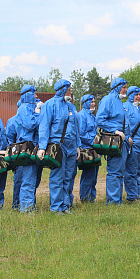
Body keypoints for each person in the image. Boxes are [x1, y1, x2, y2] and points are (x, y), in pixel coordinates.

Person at [37, 79, 81, 215]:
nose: (71, 92)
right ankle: (56, 206)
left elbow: (75, 128)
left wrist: (78, 146)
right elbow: (44, 126)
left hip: (71, 147)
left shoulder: (71, 106)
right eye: (69, 89)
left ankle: (65, 204)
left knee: (68, 176)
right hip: (57, 146)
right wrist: (42, 147)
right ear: (62, 89)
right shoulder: (50, 105)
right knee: (57, 177)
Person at [96, 77, 132, 205]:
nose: (125, 90)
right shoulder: (108, 100)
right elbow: (100, 120)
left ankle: (118, 199)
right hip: (113, 141)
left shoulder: (119, 102)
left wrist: (128, 137)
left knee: (120, 172)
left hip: (122, 142)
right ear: (117, 87)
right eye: (124, 87)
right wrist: (115, 131)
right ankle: (112, 201)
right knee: (114, 172)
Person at [15, 85, 40, 213]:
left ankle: (30, 204)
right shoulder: (24, 108)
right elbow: (30, 124)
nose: (36, 97)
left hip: (34, 146)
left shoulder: (30, 108)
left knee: (34, 178)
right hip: (27, 146)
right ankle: (26, 208)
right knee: (28, 178)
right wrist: (37, 113)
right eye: (34, 94)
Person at [123, 86, 140, 202]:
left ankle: (138, 194)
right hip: (133, 145)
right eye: (135, 94)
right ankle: (132, 197)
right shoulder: (125, 108)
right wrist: (128, 138)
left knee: (138, 171)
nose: (138, 96)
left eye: (139, 94)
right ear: (130, 95)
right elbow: (123, 124)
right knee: (130, 171)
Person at [78, 94, 98, 202]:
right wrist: (93, 141)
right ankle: (85, 198)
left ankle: (92, 198)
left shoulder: (92, 116)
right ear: (85, 102)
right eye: (91, 102)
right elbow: (81, 133)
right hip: (86, 150)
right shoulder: (82, 115)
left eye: (94, 102)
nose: (93, 104)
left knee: (94, 175)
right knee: (88, 175)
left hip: (94, 149)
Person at [6, 99, 22, 210]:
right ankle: (16, 204)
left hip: (29, 154)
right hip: (18, 155)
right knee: (19, 180)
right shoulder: (12, 121)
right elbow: (9, 140)